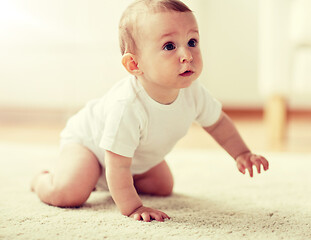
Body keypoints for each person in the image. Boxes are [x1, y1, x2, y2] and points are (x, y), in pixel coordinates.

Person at [31, 0, 269, 222]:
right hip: (90, 147)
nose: (186, 55)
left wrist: (241, 153)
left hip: (133, 157)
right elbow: (116, 164)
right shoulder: (127, 106)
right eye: (169, 46)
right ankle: (42, 180)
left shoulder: (194, 92)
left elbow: (217, 124)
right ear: (135, 65)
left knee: (162, 186)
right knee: (70, 193)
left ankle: (101, 182)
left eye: (192, 42)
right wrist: (133, 207)